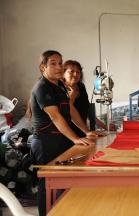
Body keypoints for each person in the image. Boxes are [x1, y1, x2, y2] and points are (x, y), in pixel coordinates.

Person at [30, 50, 97, 216]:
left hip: (59, 140)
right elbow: (55, 116)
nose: (59, 66)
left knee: (62, 180)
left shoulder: (58, 85)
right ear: (42, 67)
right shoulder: (42, 87)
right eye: (53, 63)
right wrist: (75, 139)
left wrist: (86, 132)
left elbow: (71, 110)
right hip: (45, 143)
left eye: (60, 62)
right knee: (47, 183)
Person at [63, 60, 111, 136]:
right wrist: (72, 96)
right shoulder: (60, 89)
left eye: (78, 72)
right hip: (68, 134)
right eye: (71, 71)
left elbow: (87, 110)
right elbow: (68, 110)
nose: (75, 74)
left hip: (82, 131)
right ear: (63, 74)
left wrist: (105, 126)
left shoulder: (81, 87)